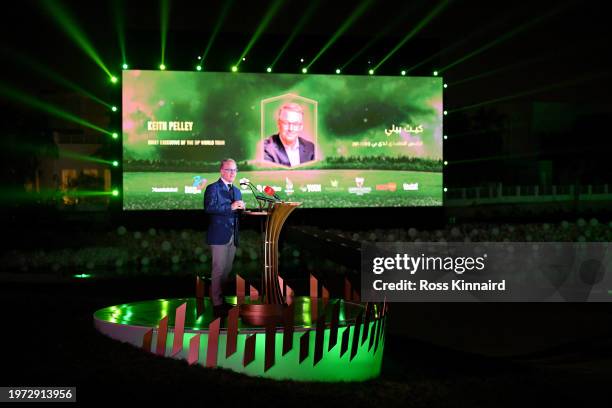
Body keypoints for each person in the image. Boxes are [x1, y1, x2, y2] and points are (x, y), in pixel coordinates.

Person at [203, 158, 245, 316]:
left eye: (235, 170)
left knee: (227, 270)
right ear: (221, 171)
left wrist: (241, 209)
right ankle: (217, 304)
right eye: (229, 170)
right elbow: (209, 208)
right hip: (219, 235)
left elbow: (237, 213)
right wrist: (231, 206)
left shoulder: (237, 190)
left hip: (232, 236)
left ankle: (220, 298)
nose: (233, 173)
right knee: (218, 270)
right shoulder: (213, 188)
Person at [263, 102, 315, 167]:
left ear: (301, 126)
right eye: (286, 123)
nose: (291, 129)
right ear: (279, 124)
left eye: (295, 124)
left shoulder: (310, 148)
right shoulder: (266, 148)